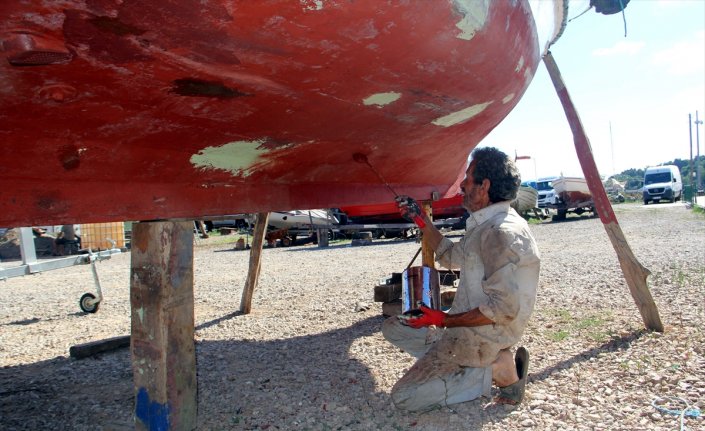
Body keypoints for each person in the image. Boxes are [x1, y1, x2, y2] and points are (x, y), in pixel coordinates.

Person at [382, 146, 540, 412]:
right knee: (393, 327)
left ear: (484, 186)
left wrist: (442, 320)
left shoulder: (501, 233)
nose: (462, 185)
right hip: (466, 325)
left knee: (405, 398)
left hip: (488, 334)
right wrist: (421, 221)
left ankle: (498, 369)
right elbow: (451, 256)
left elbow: (502, 310)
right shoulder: (485, 225)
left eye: (468, 178)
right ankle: (454, 355)